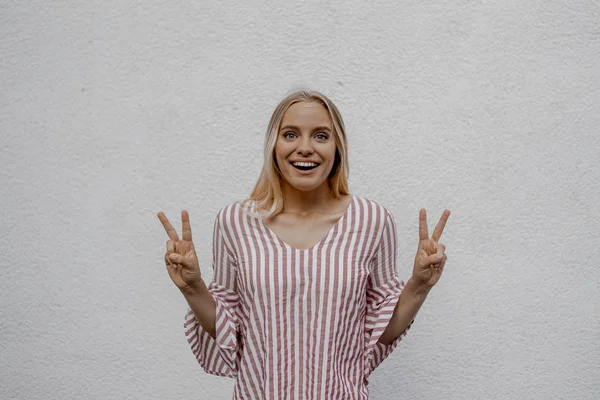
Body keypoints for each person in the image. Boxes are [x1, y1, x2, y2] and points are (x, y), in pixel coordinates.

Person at [157, 89, 450, 399]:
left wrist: (419, 285)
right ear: (274, 145)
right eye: (291, 134)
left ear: (338, 148)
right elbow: (230, 332)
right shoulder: (235, 222)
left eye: (321, 136)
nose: (305, 148)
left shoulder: (371, 221)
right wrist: (192, 287)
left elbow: (379, 334)